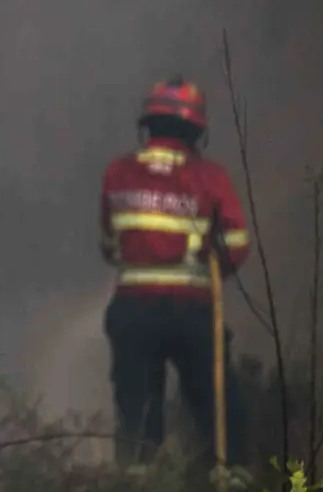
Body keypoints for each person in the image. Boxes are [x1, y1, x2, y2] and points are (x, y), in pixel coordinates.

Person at [100, 76, 252, 487]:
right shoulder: (210, 178)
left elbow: (109, 245)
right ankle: (228, 475)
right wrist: (207, 259)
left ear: (148, 125)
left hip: (133, 310)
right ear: (195, 130)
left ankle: (137, 479)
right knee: (214, 403)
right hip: (193, 310)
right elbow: (237, 244)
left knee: (138, 410)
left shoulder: (118, 172)